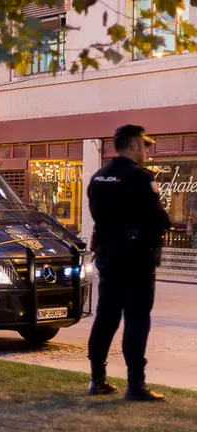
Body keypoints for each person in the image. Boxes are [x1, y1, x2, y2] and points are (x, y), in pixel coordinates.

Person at [86, 124, 171, 401]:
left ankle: (97, 378)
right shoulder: (140, 177)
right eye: (144, 145)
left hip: (108, 258)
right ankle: (136, 384)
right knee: (136, 320)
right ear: (134, 144)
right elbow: (159, 220)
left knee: (106, 318)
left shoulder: (99, 177)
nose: (146, 151)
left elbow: (98, 217)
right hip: (137, 260)